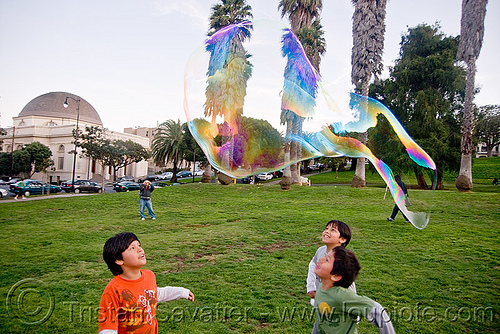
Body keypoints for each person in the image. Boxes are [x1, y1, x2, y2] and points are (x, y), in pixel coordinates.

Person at [99, 232, 194, 334]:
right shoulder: (114, 290)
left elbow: (155, 293)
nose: (140, 249)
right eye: (132, 248)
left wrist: (181, 292)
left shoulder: (149, 275)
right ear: (118, 260)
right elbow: (107, 329)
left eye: (139, 245)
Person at [313, 247, 396, 334]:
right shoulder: (322, 286)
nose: (320, 259)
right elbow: (320, 319)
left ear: (336, 276)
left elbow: (377, 310)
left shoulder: (341, 296)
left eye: (327, 260)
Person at [307, 220, 356, 334]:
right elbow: (313, 264)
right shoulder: (321, 250)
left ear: (342, 239)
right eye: (326, 228)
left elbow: (349, 286)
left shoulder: (341, 260)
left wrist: (354, 313)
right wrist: (311, 286)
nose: (326, 232)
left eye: (332, 230)